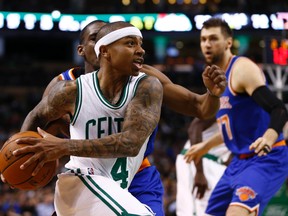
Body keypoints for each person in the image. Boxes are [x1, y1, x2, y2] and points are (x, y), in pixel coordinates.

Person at [17, 20, 227, 215]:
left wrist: (213, 95)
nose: (139, 50)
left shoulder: (145, 80)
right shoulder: (65, 88)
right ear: (96, 49)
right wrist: (19, 161)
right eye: (95, 37)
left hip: (136, 173)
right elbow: (38, 125)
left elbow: (199, 107)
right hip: (89, 173)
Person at [11, 21, 163, 215]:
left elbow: (130, 144)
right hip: (82, 181)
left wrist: (62, 147)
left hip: (122, 185)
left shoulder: (147, 86)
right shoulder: (70, 90)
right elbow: (36, 115)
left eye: (140, 44)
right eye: (131, 43)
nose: (141, 50)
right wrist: (18, 160)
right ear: (105, 51)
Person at [184, 17, 288, 216]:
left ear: (228, 43)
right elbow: (234, 127)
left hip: (266, 157)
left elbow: (279, 109)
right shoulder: (215, 78)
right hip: (238, 162)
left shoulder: (241, 69)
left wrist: (269, 137)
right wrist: (205, 146)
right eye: (203, 39)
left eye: (213, 38)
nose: (207, 44)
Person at [176, 117, 231, 216]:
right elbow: (194, 128)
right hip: (197, 158)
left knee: (211, 210)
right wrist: (199, 171)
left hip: (217, 163)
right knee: (191, 210)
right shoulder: (222, 103)